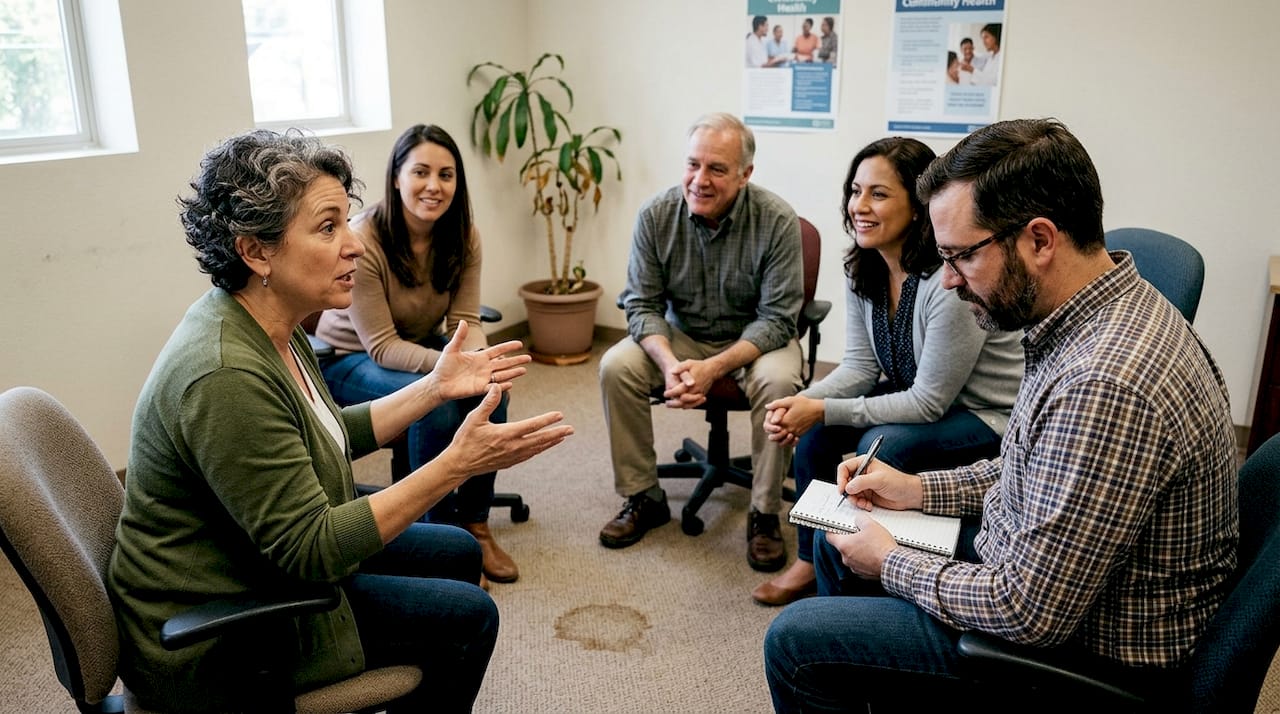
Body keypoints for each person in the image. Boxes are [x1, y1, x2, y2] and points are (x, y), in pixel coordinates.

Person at [763, 118, 1238, 712]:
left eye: (961, 256)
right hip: (1052, 580)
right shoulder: (1087, 318)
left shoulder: (1105, 383)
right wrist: (915, 489)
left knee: (795, 641)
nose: (948, 280)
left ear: (1040, 240)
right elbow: (1035, 467)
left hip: (1081, 656)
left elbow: (1028, 613)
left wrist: (891, 560)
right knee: (842, 544)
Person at [107, 129, 573, 713]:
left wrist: (434, 388)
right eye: (328, 227)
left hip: (257, 561)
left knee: (457, 550)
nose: (353, 243)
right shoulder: (225, 374)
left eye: (346, 222)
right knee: (469, 617)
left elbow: (330, 430)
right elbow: (314, 548)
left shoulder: (274, 322)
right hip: (216, 633)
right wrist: (459, 463)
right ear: (256, 251)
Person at [752, 137, 1023, 607]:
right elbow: (860, 367)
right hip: (922, 396)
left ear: (918, 206)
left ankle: (872, 574)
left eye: (878, 194)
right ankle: (811, 560)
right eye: (855, 191)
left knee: (885, 445)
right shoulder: (865, 266)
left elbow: (927, 402)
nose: (860, 206)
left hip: (982, 413)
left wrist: (823, 408)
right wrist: (806, 402)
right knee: (817, 435)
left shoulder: (947, 278)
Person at [598, 112, 803, 573]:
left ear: (746, 174)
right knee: (617, 366)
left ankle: (764, 511)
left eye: (716, 169)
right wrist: (670, 363)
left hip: (755, 341)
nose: (700, 180)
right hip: (681, 335)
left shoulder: (777, 220)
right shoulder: (655, 215)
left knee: (780, 381)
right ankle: (644, 497)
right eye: (693, 165)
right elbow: (642, 306)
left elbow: (776, 320)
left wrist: (713, 369)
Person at [315, 124, 519, 587]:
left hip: (423, 350)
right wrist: (450, 371)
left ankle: (476, 524)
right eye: (421, 172)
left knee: (494, 391)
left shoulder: (464, 235)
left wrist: (482, 363)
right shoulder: (365, 239)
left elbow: (466, 320)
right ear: (396, 178)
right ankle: (436, 532)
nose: (434, 185)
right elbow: (382, 346)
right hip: (348, 358)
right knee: (438, 399)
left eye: (446, 175)